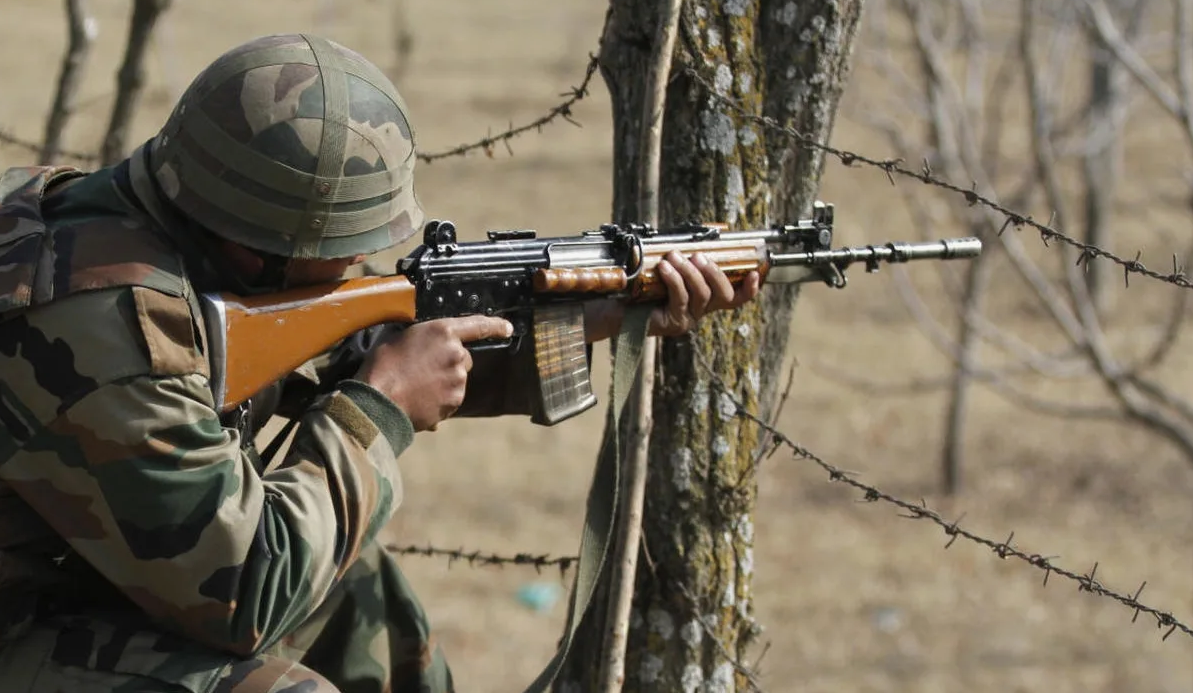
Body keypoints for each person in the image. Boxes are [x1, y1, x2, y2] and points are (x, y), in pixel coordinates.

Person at [0, 33, 761, 693]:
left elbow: (336, 344)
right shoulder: (113, 329)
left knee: (364, 595)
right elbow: (246, 589)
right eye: (343, 249)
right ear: (256, 247)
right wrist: (379, 407)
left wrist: (590, 319)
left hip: (67, 571)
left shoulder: (146, 223)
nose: (364, 260)